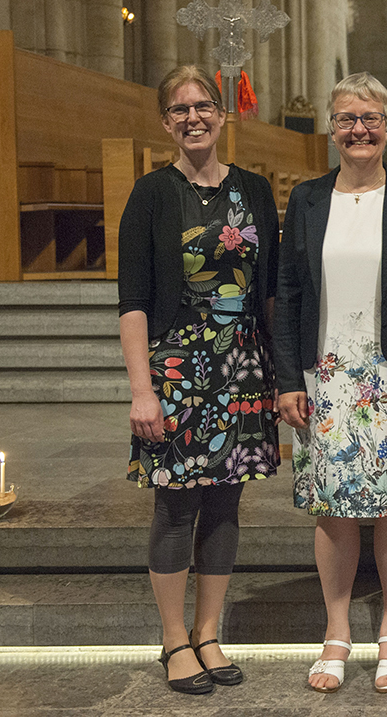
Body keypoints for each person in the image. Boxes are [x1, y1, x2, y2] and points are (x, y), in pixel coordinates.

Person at [273, 72, 387, 695]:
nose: (359, 130)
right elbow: (288, 292)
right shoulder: (307, 199)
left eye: (370, 118)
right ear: (332, 127)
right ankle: (337, 630)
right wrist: (287, 377)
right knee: (330, 508)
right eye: (347, 118)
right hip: (324, 376)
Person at [117, 65, 280, 695]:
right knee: (175, 505)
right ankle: (172, 639)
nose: (193, 118)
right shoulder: (151, 193)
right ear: (165, 122)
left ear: (221, 115)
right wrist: (142, 388)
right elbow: (133, 300)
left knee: (226, 502)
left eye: (203, 107)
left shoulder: (255, 191)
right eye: (180, 110)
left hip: (242, 364)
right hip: (177, 368)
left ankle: (208, 632)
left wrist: (281, 373)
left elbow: (267, 293)